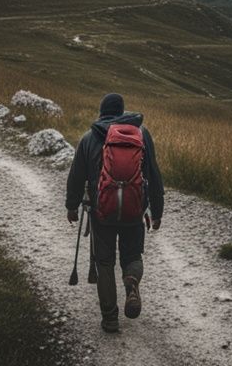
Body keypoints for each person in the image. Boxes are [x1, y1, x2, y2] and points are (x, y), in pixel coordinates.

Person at [65, 92, 165, 333]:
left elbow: (76, 177)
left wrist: (72, 206)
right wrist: (157, 211)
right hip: (133, 211)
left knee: (105, 262)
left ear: (102, 112)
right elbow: (153, 173)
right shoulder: (142, 135)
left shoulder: (89, 138)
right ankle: (131, 283)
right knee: (132, 257)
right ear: (122, 113)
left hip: (102, 213)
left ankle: (110, 318)